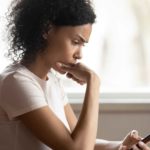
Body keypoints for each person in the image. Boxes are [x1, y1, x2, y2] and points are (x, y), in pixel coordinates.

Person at [0, 0, 149, 150]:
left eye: (82, 45)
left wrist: (121, 146)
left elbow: (79, 140)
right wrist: (93, 82)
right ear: (46, 29)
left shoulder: (52, 80)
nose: (79, 55)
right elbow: (78, 148)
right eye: (75, 42)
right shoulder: (15, 82)